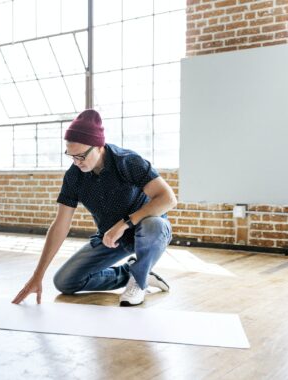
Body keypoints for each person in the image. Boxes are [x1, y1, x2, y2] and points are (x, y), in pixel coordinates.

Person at [12, 109, 177, 307]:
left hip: (148, 232)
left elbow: (168, 199)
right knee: (64, 281)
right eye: (71, 156)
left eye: (81, 156)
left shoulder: (128, 161)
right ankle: (134, 271)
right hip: (112, 239)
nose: (76, 162)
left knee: (154, 224)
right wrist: (37, 276)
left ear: (99, 146)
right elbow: (60, 226)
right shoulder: (74, 177)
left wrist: (124, 223)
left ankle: (138, 282)